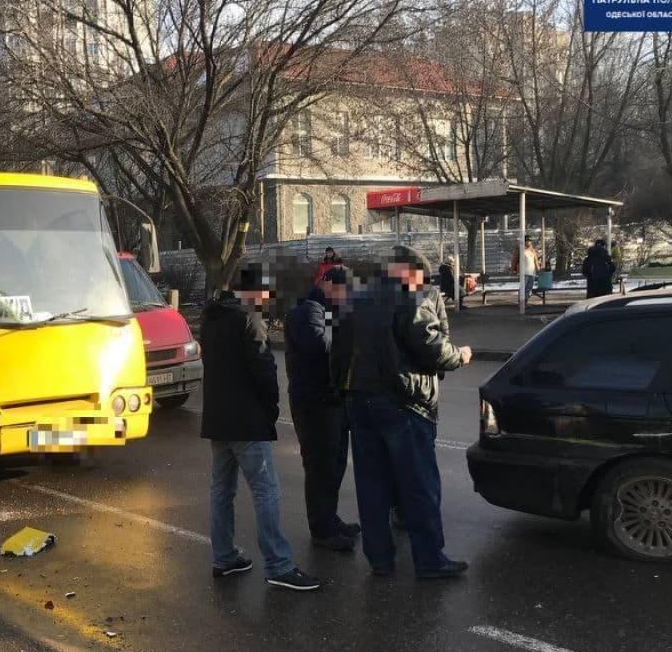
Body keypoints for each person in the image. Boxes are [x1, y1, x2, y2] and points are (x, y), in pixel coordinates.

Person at [332, 246, 473, 579]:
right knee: (418, 484)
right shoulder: (411, 295)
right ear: (410, 272)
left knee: (372, 484)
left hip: (360, 400)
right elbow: (429, 345)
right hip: (402, 402)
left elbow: (338, 350)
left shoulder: (358, 297)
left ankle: (380, 558)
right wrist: (460, 355)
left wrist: (343, 391)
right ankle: (430, 560)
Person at [201, 263, 321, 591]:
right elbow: (263, 370)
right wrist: (271, 410)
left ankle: (223, 557)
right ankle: (279, 565)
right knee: (266, 490)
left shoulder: (211, 317)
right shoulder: (248, 318)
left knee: (222, 490)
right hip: (247, 420)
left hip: (218, 419)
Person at [284, 267, 361, 552]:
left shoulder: (325, 309)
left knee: (335, 464)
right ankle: (322, 530)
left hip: (330, 399)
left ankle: (330, 517)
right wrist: (347, 338)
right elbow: (321, 346)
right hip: (314, 404)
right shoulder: (307, 310)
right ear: (326, 283)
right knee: (320, 467)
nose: (344, 297)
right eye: (341, 289)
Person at [519, 237, 540, 304]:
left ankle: (525, 302)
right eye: (527, 241)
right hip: (524, 273)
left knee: (529, 289)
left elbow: (536, 261)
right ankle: (521, 303)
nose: (528, 242)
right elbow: (515, 259)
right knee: (523, 288)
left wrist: (538, 269)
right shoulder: (521, 250)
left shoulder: (533, 251)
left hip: (532, 273)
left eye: (529, 241)